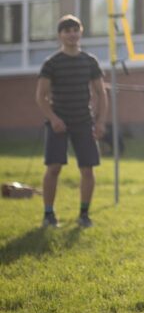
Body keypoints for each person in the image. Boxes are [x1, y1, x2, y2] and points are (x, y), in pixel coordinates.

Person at [35, 15, 107, 228]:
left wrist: (101, 122)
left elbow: (101, 94)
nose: (71, 34)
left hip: (83, 121)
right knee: (54, 168)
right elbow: (40, 96)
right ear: (60, 35)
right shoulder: (52, 63)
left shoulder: (89, 61)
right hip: (59, 123)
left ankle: (84, 215)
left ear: (81, 32)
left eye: (75, 30)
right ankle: (49, 215)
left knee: (87, 169)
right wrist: (53, 118)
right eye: (67, 31)